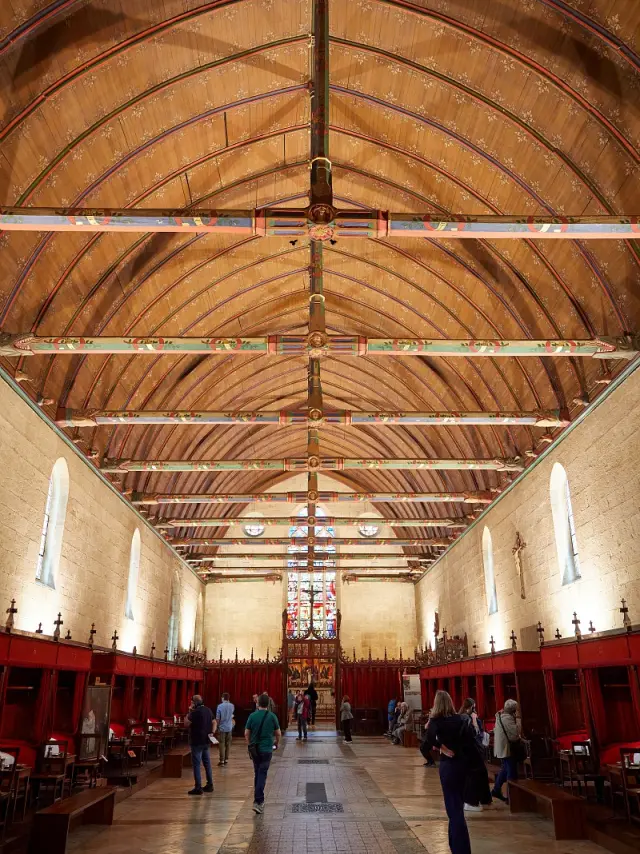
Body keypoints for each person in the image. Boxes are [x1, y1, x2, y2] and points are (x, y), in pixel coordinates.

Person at [424, 690, 476, 854]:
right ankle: (454, 845)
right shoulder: (460, 719)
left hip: (449, 766)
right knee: (457, 806)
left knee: (454, 811)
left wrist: (443, 748)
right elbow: (471, 739)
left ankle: (462, 850)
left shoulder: (436, 721)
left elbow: (429, 738)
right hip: (463, 765)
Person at [245, 692, 281, 814]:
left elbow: (246, 733)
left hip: (255, 749)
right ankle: (258, 801)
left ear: (258, 703)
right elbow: (278, 733)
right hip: (266, 749)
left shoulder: (252, 716)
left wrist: (249, 743)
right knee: (262, 773)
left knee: (257, 772)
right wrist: (277, 743)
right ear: (268, 704)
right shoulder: (272, 716)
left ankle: (258, 800)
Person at [458, 698, 492, 812]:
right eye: (474, 707)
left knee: (481, 773)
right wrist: (474, 721)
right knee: (473, 775)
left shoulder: (464, 717)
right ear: (471, 707)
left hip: (472, 751)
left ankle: (483, 798)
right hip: (471, 751)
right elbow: (474, 733)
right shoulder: (465, 718)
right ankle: (470, 802)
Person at [491, 698, 521, 803]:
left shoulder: (500, 716)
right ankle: (511, 797)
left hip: (503, 748)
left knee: (505, 769)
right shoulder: (507, 718)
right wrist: (518, 718)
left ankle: (496, 790)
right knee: (511, 773)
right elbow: (515, 735)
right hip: (507, 748)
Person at [185, 694, 214, 795]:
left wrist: (189, 711)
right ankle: (210, 784)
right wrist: (212, 732)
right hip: (206, 740)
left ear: (194, 702)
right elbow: (214, 722)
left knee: (197, 764)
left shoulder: (195, 712)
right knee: (207, 763)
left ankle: (198, 787)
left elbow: (186, 723)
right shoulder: (208, 710)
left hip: (197, 741)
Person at [215, 692, 234, 767]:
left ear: (222, 698)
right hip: (229, 727)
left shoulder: (220, 706)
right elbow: (231, 715)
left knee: (222, 744)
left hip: (222, 727)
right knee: (228, 744)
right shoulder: (232, 706)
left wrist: (218, 726)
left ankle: (221, 760)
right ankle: (226, 759)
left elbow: (218, 718)